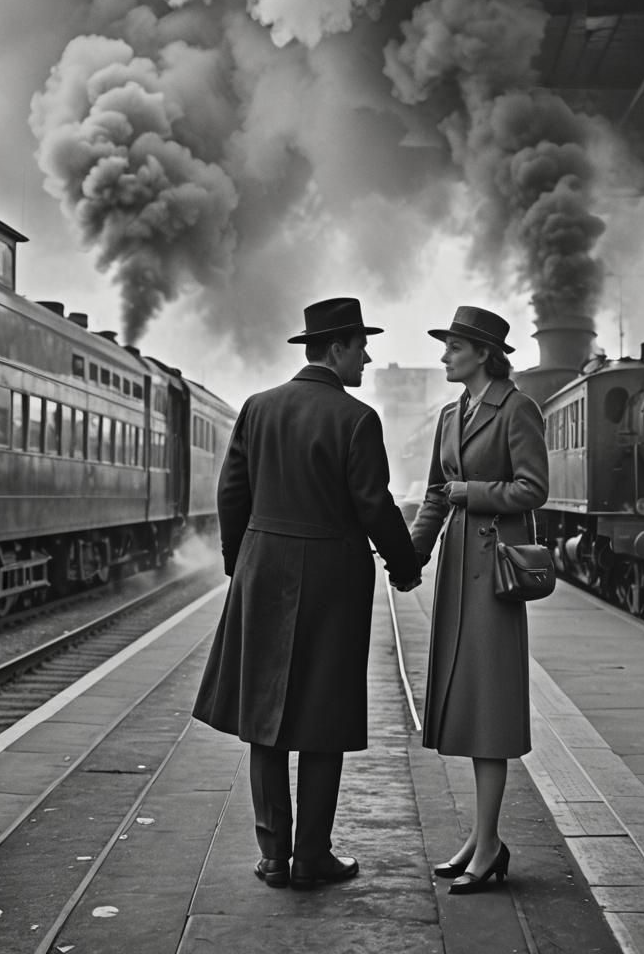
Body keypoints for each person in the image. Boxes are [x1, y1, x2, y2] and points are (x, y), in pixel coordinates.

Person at [193, 297, 421, 890]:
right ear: (338, 348)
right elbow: (373, 504)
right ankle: (312, 856)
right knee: (324, 712)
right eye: (362, 348)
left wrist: (240, 561)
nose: (367, 359)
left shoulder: (259, 407)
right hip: (332, 579)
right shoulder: (357, 419)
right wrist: (404, 565)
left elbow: (231, 492)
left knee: (264, 713)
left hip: (263, 569)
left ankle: (273, 855)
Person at [410, 305, 549, 895]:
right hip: (457, 570)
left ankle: (488, 843)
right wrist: (411, 555)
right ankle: (480, 838)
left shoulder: (517, 409)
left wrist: (474, 491)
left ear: (484, 354)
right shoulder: (451, 413)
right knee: (468, 704)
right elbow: (435, 494)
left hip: (493, 576)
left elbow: (533, 488)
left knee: (488, 708)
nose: (445, 356)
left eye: (454, 347)